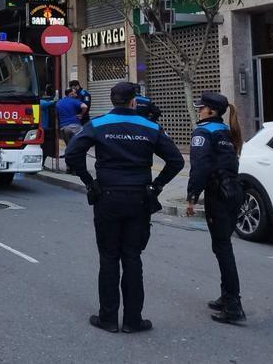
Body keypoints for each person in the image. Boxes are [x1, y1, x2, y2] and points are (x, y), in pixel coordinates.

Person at [66, 82, 185, 334]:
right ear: (134, 101)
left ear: (112, 100)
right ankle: (133, 320)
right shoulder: (150, 127)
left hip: (107, 197)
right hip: (139, 198)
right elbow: (176, 160)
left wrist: (89, 182)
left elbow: (72, 154)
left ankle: (108, 318)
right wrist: (157, 186)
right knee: (132, 257)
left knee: (108, 257)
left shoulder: (98, 124)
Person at [185, 92, 247, 325]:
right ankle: (226, 297)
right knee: (223, 246)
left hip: (219, 195)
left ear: (210, 111)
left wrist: (192, 196)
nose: (199, 111)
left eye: (201, 108)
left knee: (223, 249)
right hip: (233, 192)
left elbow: (199, 167)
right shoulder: (225, 131)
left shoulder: (203, 132)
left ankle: (233, 305)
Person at [56, 88, 88, 166]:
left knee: (69, 147)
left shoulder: (59, 103)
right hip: (75, 126)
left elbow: (56, 115)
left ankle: (69, 167)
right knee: (79, 147)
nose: (76, 95)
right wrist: (81, 114)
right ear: (70, 94)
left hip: (64, 128)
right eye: (74, 93)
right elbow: (85, 106)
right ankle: (78, 166)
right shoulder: (74, 101)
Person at [39, 84, 59, 169]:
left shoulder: (43, 102)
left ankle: (42, 163)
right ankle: (41, 163)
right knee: (44, 147)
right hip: (43, 128)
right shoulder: (41, 102)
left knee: (45, 147)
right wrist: (56, 97)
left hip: (45, 127)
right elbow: (51, 103)